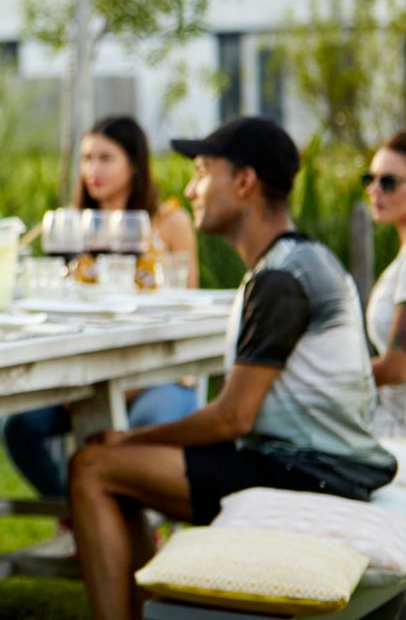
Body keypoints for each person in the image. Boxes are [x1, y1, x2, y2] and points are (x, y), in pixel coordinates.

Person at [69, 116, 397, 620]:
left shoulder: (281, 278)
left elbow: (232, 418)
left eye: (203, 171)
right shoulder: (294, 262)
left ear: (243, 183)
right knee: (116, 468)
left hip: (305, 471)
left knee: (92, 466)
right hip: (310, 461)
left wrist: (128, 440)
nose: (191, 188)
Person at [0, 115, 200, 499]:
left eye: (106, 158)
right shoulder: (72, 226)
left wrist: (122, 386)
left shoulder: (170, 221)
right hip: (85, 375)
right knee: (17, 427)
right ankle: (78, 508)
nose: (93, 169)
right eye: (87, 158)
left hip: (155, 371)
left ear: (135, 165)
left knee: (139, 429)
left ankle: (129, 528)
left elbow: (183, 304)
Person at [363, 130, 406, 438]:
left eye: (388, 182)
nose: (375, 190)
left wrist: (322, 381)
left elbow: (397, 367)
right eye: (370, 179)